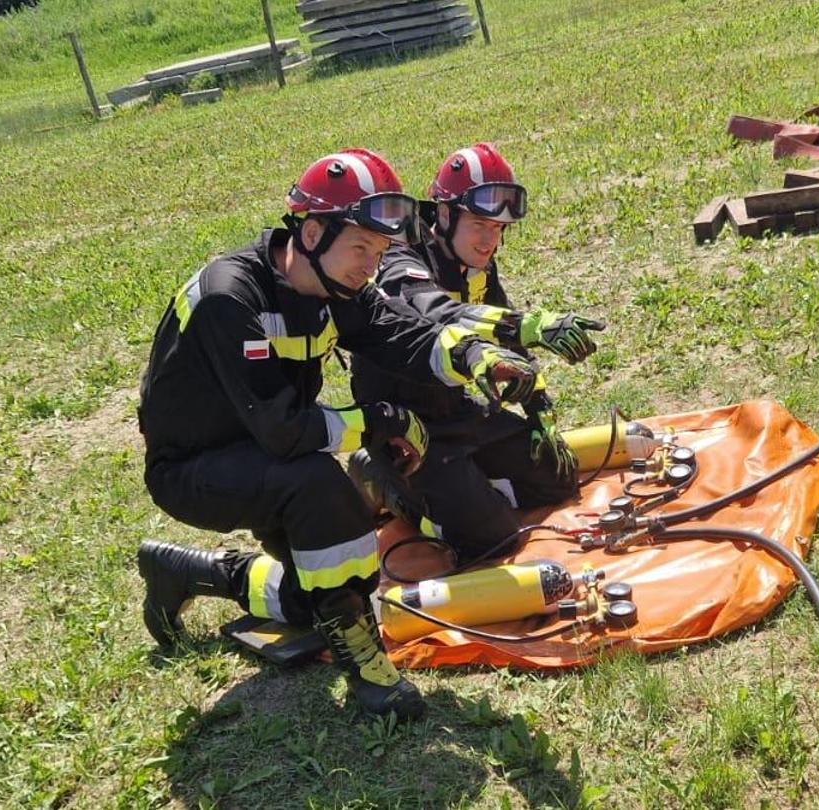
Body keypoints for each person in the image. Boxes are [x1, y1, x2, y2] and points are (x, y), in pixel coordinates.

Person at [132, 148, 538, 719]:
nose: (369, 268)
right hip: (195, 469)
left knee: (314, 601)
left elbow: (406, 335)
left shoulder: (333, 283)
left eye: (377, 252)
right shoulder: (232, 297)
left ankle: (188, 572)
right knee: (320, 488)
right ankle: (368, 669)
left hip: (259, 455)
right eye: (360, 249)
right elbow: (284, 432)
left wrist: (476, 356)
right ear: (314, 232)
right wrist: (378, 422)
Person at [348, 143, 605, 563]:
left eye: (501, 228)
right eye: (481, 224)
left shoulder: (479, 264)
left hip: (458, 408)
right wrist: (527, 322)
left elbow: (509, 346)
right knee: (492, 537)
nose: (491, 239)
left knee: (558, 479)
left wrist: (540, 408)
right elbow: (434, 310)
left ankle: (465, 484)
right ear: (445, 215)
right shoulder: (399, 258)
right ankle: (377, 475)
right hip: (405, 425)